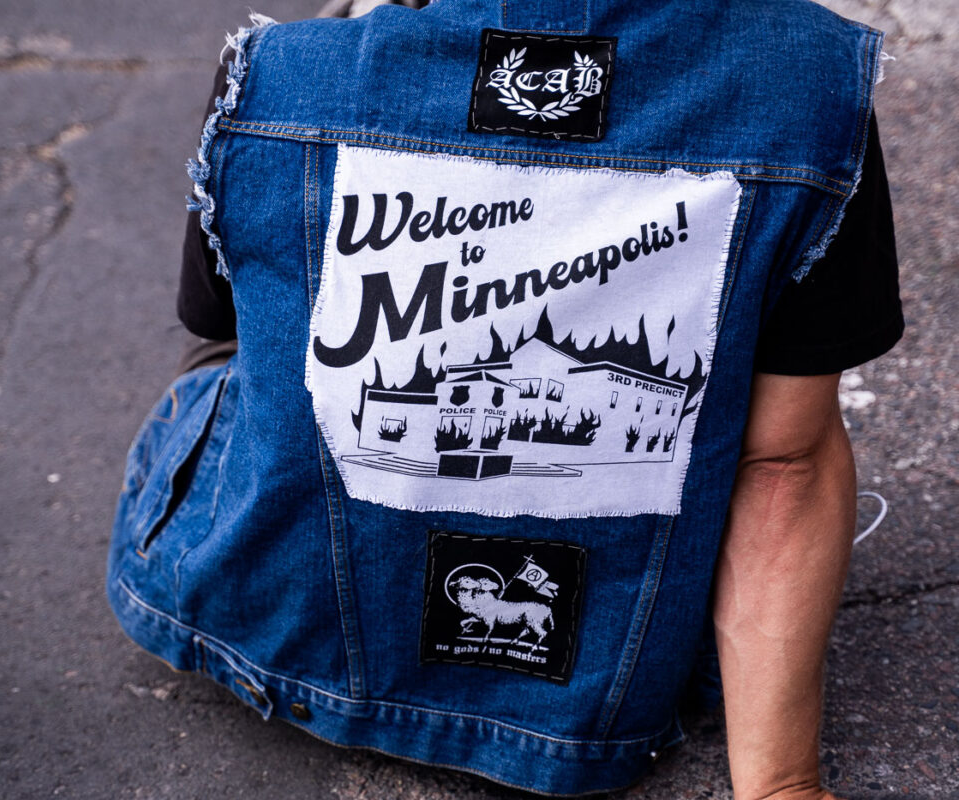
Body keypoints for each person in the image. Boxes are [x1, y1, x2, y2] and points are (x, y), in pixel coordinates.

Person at [108, 1, 903, 797]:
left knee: (227, 344)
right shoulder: (808, 89)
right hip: (617, 678)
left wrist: (354, 38)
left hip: (283, 633)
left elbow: (210, 317)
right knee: (778, 431)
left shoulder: (280, 72)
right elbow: (783, 465)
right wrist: (782, 784)